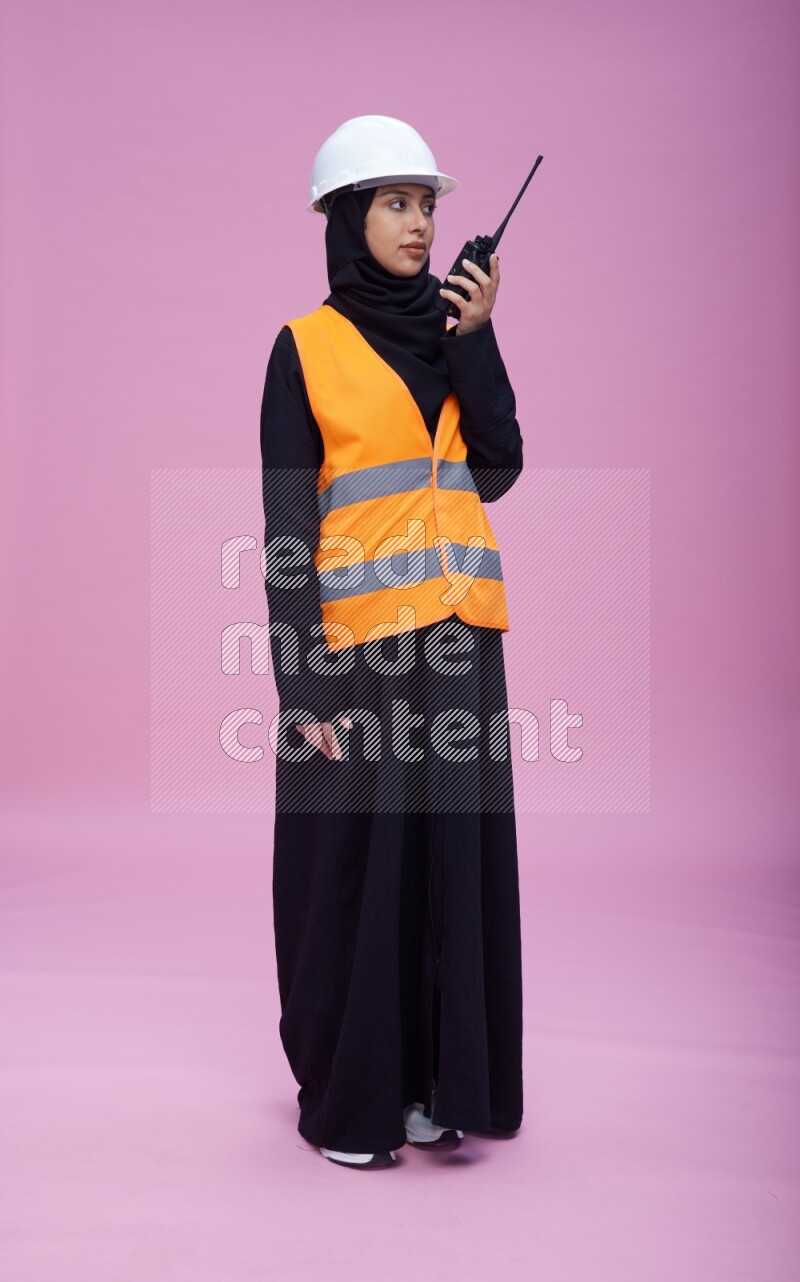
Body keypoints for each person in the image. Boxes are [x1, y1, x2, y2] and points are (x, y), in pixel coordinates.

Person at [259, 116, 524, 1171]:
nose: (418, 225)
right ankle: (351, 1096)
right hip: (360, 655)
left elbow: (496, 466)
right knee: (358, 875)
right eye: (394, 202)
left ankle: (430, 1087)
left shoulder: (454, 332)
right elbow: (286, 536)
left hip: (460, 643)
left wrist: (480, 337)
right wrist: (302, 691)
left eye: (426, 204)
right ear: (343, 218)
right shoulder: (304, 349)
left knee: (447, 872)